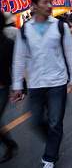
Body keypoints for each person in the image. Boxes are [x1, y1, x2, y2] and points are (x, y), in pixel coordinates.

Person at [11, 0, 72, 168]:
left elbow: (71, 53)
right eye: (45, 2)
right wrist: (17, 85)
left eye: (51, 2)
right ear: (34, 5)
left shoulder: (60, 26)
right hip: (35, 83)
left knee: (55, 121)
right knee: (35, 121)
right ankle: (54, 138)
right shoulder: (25, 29)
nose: (49, 6)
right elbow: (19, 57)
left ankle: (49, 157)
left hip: (57, 82)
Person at [0, 12, 18, 164]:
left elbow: (16, 66)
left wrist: (19, 87)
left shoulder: (7, 43)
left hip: (2, 87)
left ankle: (9, 145)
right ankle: (9, 143)